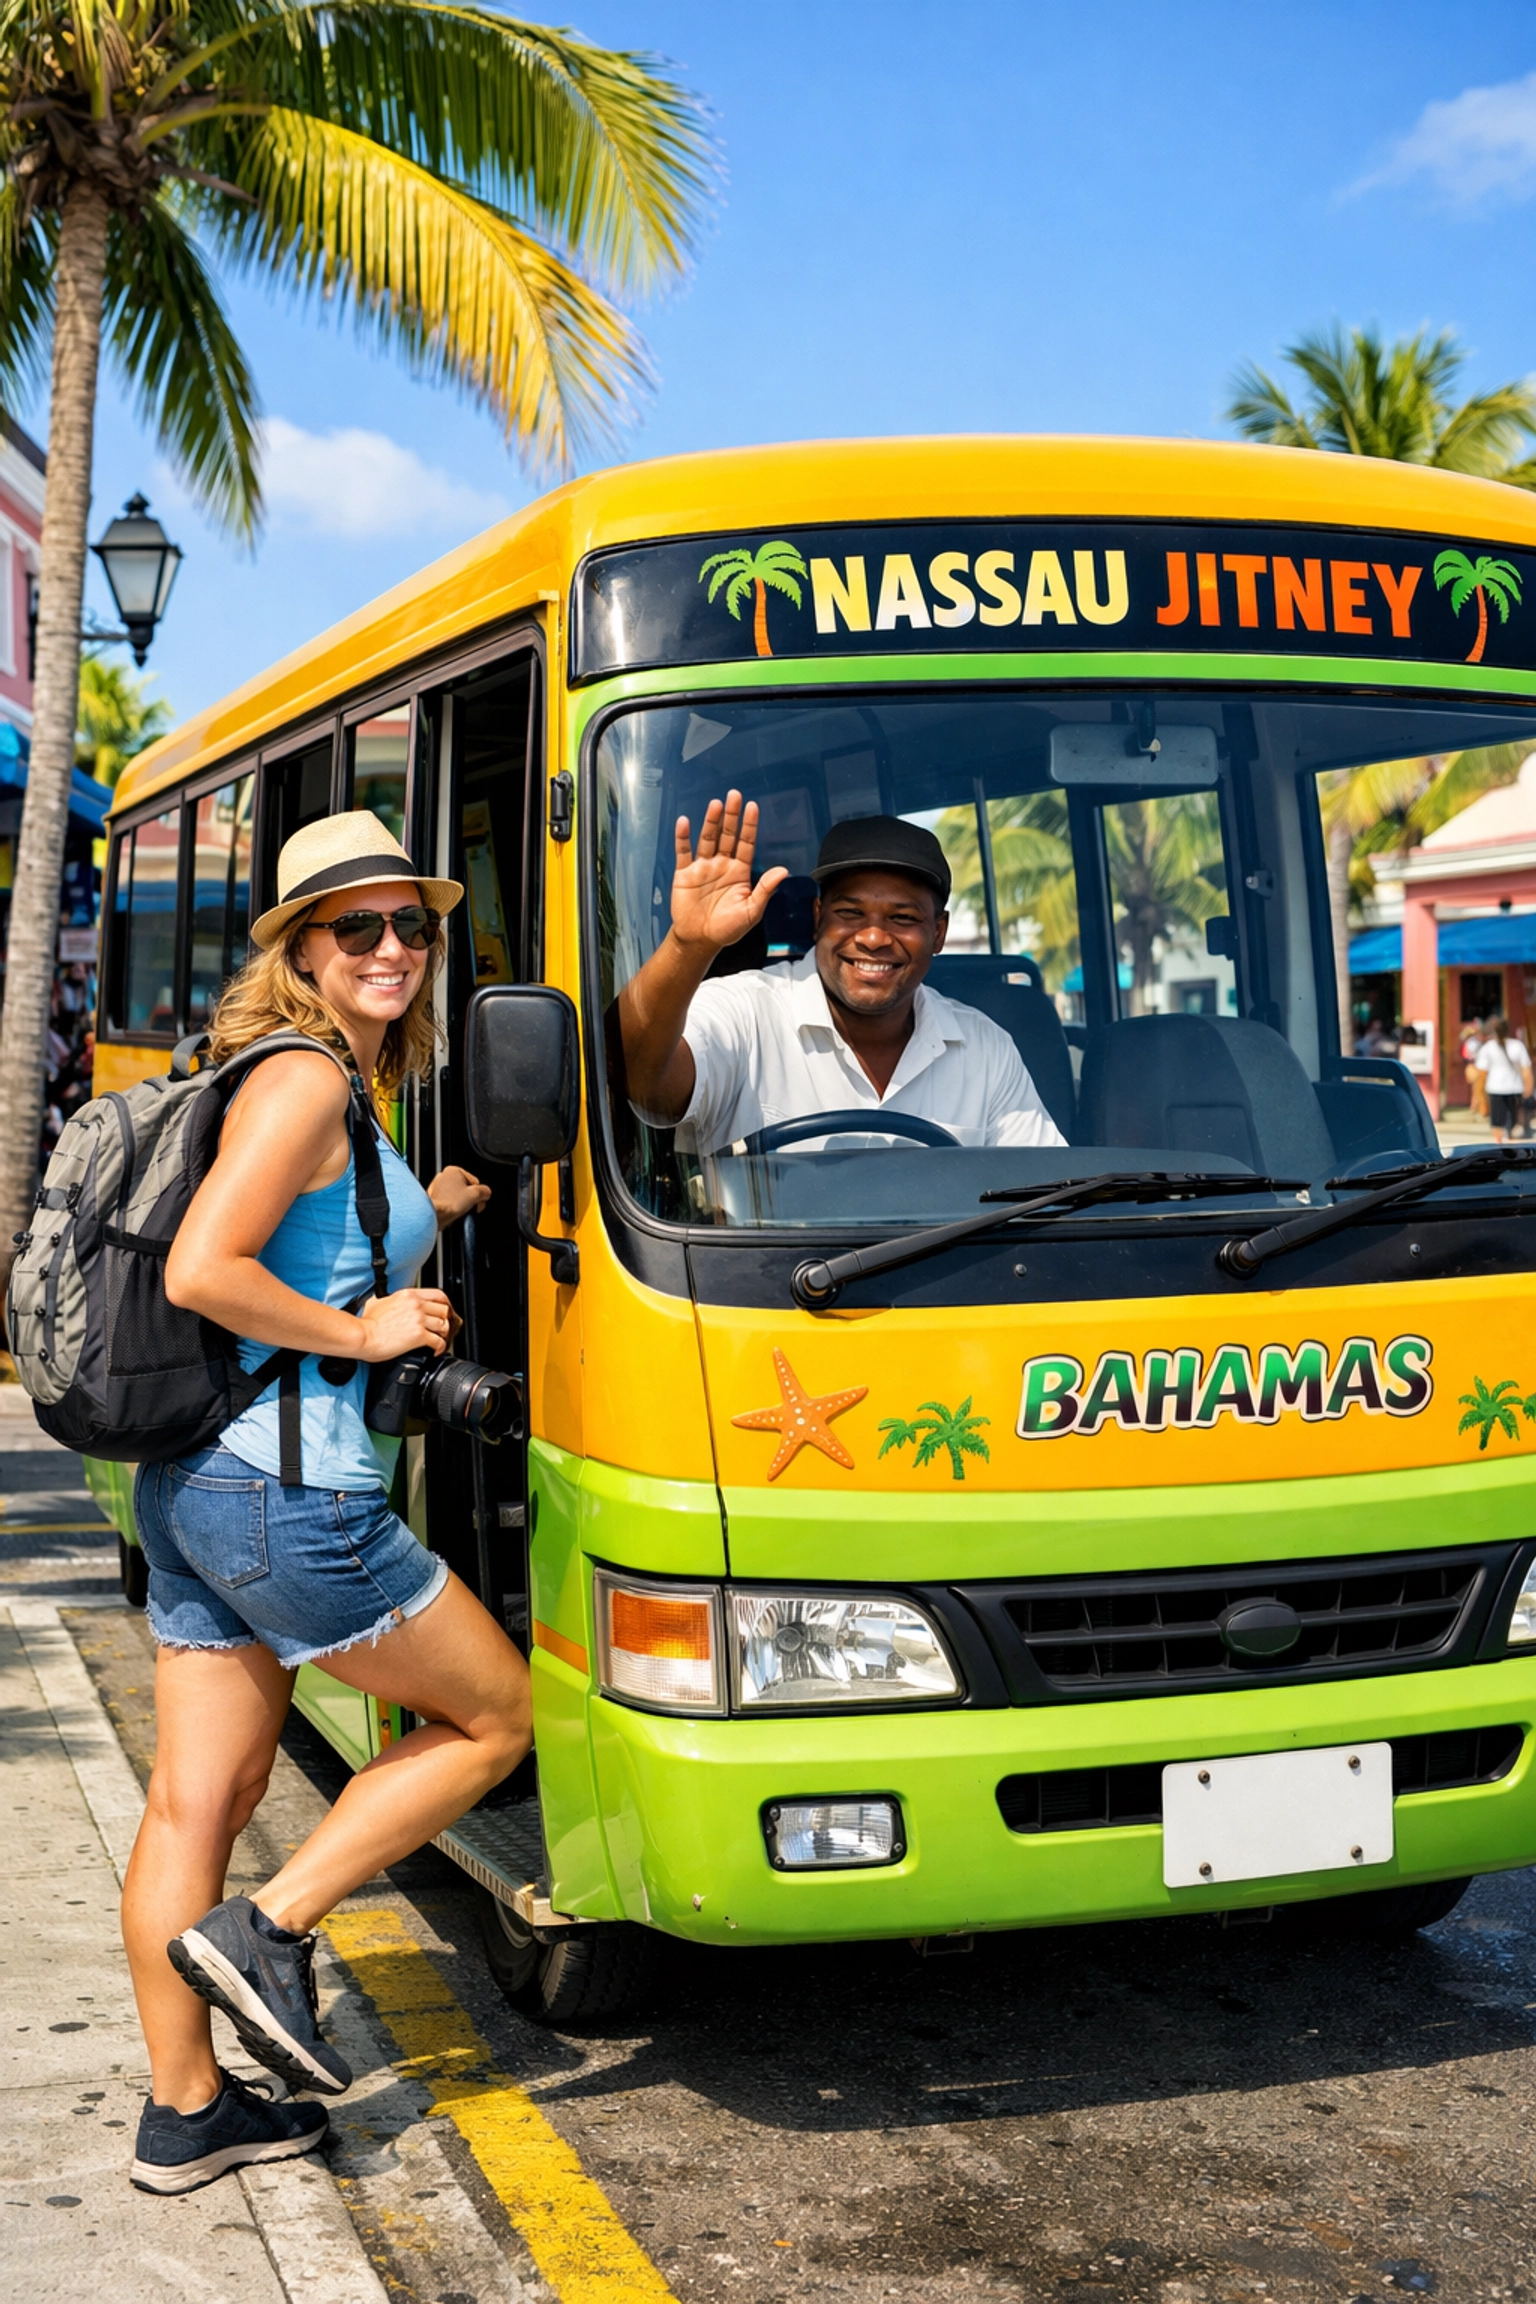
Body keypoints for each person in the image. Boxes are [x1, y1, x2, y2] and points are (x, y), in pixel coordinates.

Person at [121, 812, 531, 2196]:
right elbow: (202, 1268)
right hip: (289, 1495)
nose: (393, 948)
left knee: (198, 1801)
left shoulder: (316, 1086)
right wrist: (365, 1338)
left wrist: (445, 1199)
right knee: (493, 1715)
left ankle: (188, 2115)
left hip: (197, 1486)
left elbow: (331, 1225)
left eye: (411, 924)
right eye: (355, 927)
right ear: (298, 948)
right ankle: (276, 1928)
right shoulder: (302, 1083)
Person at [617, 793, 1066, 1153]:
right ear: (818, 919)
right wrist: (688, 945)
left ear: (939, 933)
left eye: (903, 918)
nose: (873, 937)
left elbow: (1042, 1195)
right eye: (850, 913)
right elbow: (640, 1079)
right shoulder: (745, 1010)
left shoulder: (985, 1048)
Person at [1475, 1015, 1533, 1146]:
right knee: (1512, 1122)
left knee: (1497, 1122)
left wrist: (1479, 1094)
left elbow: (1482, 1073)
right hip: (1515, 1088)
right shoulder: (1517, 1046)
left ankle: (1499, 1145)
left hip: (1495, 1089)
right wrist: (1528, 1088)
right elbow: (1526, 1070)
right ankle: (1511, 1144)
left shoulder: (1488, 1047)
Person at [1462, 1018, 1489, 1119]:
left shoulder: (1479, 1042)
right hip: (1475, 1066)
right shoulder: (1472, 1042)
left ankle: (1479, 1110)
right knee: (1478, 1090)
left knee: (1479, 1090)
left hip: (1480, 1067)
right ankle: (1478, 1110)